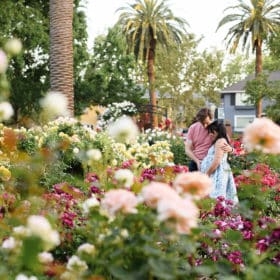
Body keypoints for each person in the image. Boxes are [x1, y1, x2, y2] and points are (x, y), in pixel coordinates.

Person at [201, 120, 238, 203]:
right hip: (217, 173)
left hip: (217, 174)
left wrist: (207, 174)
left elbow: (217, 161)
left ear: (216, 132)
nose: (209, 135)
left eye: (211, 132)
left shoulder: (220, 141)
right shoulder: (220, 141)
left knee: (216, 198)